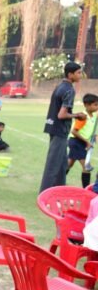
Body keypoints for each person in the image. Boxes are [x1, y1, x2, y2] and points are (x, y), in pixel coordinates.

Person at [40, 62, 86, 193]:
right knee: (53, 164)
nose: (80, 75)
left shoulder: (60, 86)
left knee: (62, 164)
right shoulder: (69, 90)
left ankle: (59, 190)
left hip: (53, 127)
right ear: (70, 74)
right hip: (60, 130)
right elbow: (62, 115)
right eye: (78, 73)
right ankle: (44, 194)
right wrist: (77, 115)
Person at [67, 93, 98, 188]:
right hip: (76, 142)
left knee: (70, 163)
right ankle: (86, 190)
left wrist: (94, 137)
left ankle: (57, 180)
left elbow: (91, 130)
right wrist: (87, 142)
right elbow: (74, 131)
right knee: (86, 167)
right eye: (95, 105)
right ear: (87, 105)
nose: (97, 107)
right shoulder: (83, 117)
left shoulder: (94, 116)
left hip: (82, 143)